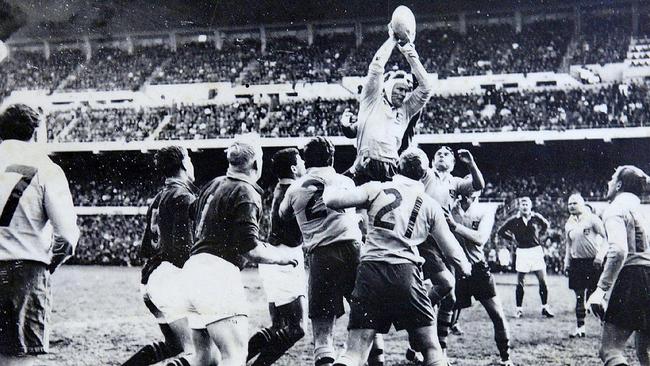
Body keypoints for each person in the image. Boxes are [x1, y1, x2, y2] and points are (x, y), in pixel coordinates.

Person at [321, 147, 471, 366]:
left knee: (354, 352)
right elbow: (452, 250)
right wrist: (466, 267)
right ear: (423, 173)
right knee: (431, 348)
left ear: (397, 167)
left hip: (371, 271)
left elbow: (332, 200)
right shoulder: (429, 204)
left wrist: (343, 176)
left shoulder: (375, 188)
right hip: (406, 273)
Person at [175, 134, 299, 366]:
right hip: (217, 273)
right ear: (256, 163)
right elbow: (250, 249)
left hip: (193, 270)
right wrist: (281, 259)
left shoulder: (213, 184)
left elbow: (194, 213)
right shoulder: (246, 191)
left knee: (205, 358)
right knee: (234, 355)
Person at [279, 137, 374, 366]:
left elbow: (283, 215)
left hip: (321, 255)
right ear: (331, 158)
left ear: (305, 159)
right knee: (366, 315)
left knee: (322, 332)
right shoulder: (345, 182)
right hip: (352, 249)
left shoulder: (294, 188)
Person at [0, 104, 80, 366]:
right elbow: (67, 237)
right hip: (23, 272)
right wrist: (48, 265)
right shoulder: (46, 168)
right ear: (36, 132)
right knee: (19, 359)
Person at [122, 146, 197, 366]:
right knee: (197, 354)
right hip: (169, 279)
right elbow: (183, 252)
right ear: (183, 163)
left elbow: (146, 248)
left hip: (151, 279)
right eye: (190, 159)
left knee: (173, 345)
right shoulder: (183, 196)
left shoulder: (159, 197)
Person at [340, 23, 433, 185]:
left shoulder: (406, 109)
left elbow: (426, 88)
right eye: (400, 89)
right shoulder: (371, 99)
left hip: (391, 167)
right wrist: (392, 40)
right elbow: (376, 67)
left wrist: (407, 49)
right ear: (388, 87)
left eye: (406, 91)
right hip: (365, 165)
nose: (403, 94)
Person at [419, 147, 484, 357]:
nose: (442, 155)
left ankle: (432, 348)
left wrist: (471, 163)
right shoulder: (426, 174)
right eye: (438, 153)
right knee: (445, 285)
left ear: (454, 164)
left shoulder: (455, 182)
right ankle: (431, 344)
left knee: (450, 299)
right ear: (431, 160)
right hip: (425, 238)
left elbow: (479, 185)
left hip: (445, 240)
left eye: (447, 154)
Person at [247, 148, 307, 366]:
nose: (304, 164)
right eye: (301, 161)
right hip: (286, 258)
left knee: (278, 326)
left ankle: (234, 360)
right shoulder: (294, 190)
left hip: (275, 257)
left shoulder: (282, 188)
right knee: (297, 328)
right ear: (293, 168)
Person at [586, 166, 650, 366]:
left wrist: (600, 290)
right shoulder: (645, 209)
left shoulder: (615, 208)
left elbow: (619, 250)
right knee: (644, 351)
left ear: (620, 185)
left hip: (635, 275)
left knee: (610, 350)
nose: (608, 182)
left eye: (612, 178)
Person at [445, 191, 513, 366]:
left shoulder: (484, 210)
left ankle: (505, 358)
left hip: (477, 268)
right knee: (446, 316)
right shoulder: (449, 208)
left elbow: (480, 239)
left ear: (477, 191)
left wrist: (455, 226)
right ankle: (438, 356)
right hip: (455, 268)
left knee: (497, 314)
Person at [497, 197, 554, 319]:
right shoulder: (514, 220)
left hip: (536, 251)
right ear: (519, 206)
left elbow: (546, 225)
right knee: (520, 282)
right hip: (522, 252)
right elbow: (500, 231)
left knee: (543, 281)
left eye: (526, 203)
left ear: (530, 205)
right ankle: (519, 309)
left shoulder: (536, 217)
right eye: (522, 204)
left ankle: (545, 307)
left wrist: (540, 237)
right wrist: (512, 238)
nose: (524, 206)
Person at [564, 193, 606, 339]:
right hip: (577, 263)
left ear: (582, 204)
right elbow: (568, 245)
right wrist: (567, 262)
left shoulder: (592, 219)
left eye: (575, 203)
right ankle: (580, 328)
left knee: (595, 298)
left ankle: (604, 322)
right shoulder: (569, 223)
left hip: (593, 262)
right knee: (579, 296)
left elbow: (607, 238)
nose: (571, 206)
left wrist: (600, 256)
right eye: (569, 203)